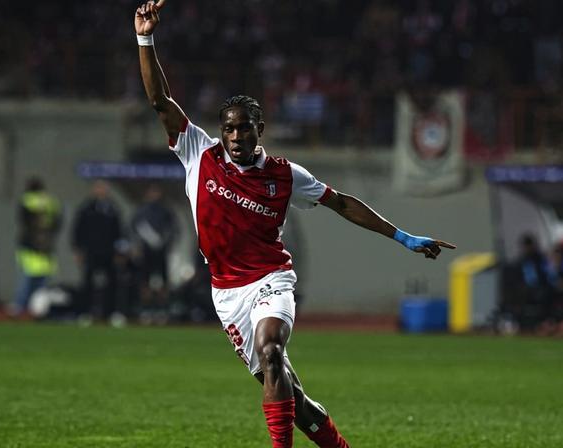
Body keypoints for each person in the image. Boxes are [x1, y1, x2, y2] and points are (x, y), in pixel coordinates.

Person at [135, 3, 456, 447]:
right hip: (227, 293)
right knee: (294, 398)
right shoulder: (198, 154)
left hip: (271, 279)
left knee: (271, 348)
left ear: (260, 130)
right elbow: (159, 101)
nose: (235, 137)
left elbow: (342, 204)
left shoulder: (286, 175)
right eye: (229, 129)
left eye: (244, 129)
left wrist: (403, 236)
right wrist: (145, 39)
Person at [71, 180, 124, 322]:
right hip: (91, 251)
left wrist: (119, 252)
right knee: (87, 283)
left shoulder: (113, 209)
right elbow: (78, 230)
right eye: (99, 188)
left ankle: (111, 313)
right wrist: (78, 250)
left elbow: (119, 232)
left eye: (104, 189)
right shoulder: (86, 209)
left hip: (109, 252)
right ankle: (85, 313)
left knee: (112, 283)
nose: (101, 191)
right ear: (94, 190)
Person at [12, 177, 62, 316]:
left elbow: (23, 220)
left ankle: (19, 306)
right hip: (46, 248)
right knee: (41, 284)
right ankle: (36, 308)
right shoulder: (51, 201)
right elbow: (58, 222)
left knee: (27, 281)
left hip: (31, 247)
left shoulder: (26, 200)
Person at [131, 184, 177, 323]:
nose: (154, 195)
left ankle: (162, 310)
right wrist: (139, 245)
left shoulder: (166, 210)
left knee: (163, 282)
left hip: (161, 251)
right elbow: (134, 228)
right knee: (145, 281)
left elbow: (173, 229)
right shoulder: (141, 211)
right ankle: (146, 309)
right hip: (146, 251)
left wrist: (165, 242)